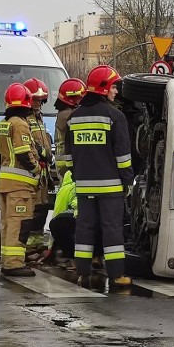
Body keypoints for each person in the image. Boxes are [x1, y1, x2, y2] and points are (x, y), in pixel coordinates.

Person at [67, 65, 134, 288]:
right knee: (112, 229)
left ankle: (82, 273)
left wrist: (77, 176)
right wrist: (128, 181)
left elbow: (68, 157)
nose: (116, 91)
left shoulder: (74, 117)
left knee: (84, 228)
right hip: (111, 187)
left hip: (84, 186)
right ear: (104, 88)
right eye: (114, 86)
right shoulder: (115, 116)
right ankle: (116, 274)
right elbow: (123, 156)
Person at [0, 83, 42, 276]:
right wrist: (37, 169)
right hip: (19, 186)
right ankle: (14, 264)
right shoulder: (20, 124)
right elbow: (24, 154)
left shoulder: (2, 125)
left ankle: (8, 260)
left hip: (5, 182)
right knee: (18, 223)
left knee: (7, 223)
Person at [23, 78, 53, 255]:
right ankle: (27, 244)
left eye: (41, 100)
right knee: (31, 210)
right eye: (35, 99)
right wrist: (42, 152)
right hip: (32, 171)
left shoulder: (38, 117)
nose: (39, 103)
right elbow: (29, 144)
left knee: (42, 208)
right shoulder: (24, 118)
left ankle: (37, 241)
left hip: (42, 172)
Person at [54, 78, 87, 176]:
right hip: (66, 164)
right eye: (80, 97)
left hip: (65, 161)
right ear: (73, 98)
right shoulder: (67, 115)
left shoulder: (64, 113)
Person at [49, 169, 77, 269]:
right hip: (84, 220)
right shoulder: (81, 186)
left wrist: (50, 247)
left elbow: (56, 214)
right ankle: (96, 257)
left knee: (60, 224)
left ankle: (72, 259)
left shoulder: (63, 190)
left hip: (66, 221)